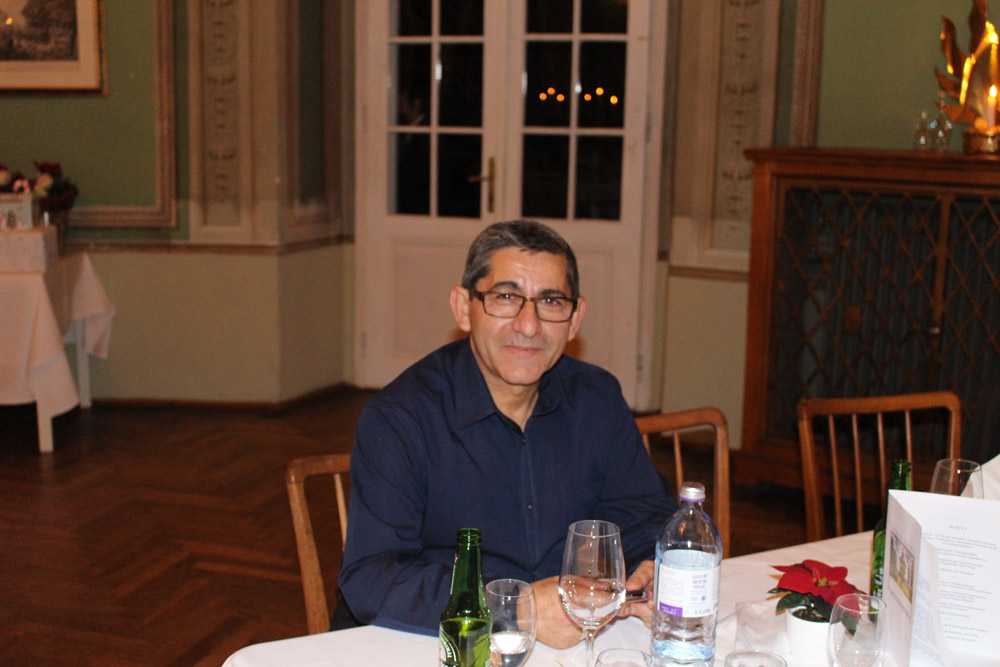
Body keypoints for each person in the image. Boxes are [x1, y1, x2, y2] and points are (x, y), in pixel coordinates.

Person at [338, 220, 676, 647]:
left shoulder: (597, 398)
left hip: (572, 642)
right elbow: (372, 578)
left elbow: (646, 515)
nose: (529, 325)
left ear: (575, 319)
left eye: (550, 301)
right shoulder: (400, 418)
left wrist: (652, 566)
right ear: (464, 308)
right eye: (506, 297)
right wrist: (512, 609)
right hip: (431, 643)